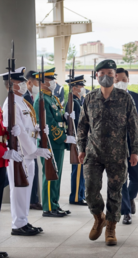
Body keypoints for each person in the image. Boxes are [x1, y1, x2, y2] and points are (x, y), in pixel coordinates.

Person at [77, 59, 138, 246]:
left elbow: (134, 127)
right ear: (96, 76)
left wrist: (135, 151)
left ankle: (111, 227)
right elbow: (82, 125)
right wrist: (81, 148)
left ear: (115, 76)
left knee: (115, 193)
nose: (106, 77)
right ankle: (99, 217)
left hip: (117, 154)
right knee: (89, 190)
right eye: (102, 73)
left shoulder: (124, 98)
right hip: (93, 154)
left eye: (110, 74)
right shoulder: (89, 98)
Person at [2, 66, 51, 235]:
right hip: (20, 152)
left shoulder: (22, 101)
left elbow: (28, 128)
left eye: (23, 82)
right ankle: (18, 225)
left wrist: (39, 132)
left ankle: (23, 221)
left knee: (26, 188)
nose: (23, 84)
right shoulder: (11, 103)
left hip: (28, 151)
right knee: (19, 189)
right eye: (19, 82)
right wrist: (34, 150)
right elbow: (18, 131)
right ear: (11, 85)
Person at [33, 68, 75, 218]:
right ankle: (48, 207)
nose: (53, 82)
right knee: (50, 175)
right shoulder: (41, 99)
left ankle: (55, 204)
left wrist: (66, 116)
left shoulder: (52, 98)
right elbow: (48, 124)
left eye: (53, 79)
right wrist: (64, 137)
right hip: (50, 143)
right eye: (50, 79)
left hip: (57, 145)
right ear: (42, 82)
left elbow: (57, 117)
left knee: (56, 175)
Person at [114, 68, 138, 225]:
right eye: (116, 80)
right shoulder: (108, 98)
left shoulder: (137, 97)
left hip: (134, 144)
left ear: (128, 80)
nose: (120, 82)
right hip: (115, 146)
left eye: (123, 80)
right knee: (121, 178)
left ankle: (129, 197)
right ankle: (126, 211)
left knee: (136, 176)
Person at [64, 75, 87, 206]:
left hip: (81, 139)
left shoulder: (78, 101)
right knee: (78, 169)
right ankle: (76, 197)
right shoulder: (72, 102)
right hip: (78, 139)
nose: (83, 88)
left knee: (81, 169)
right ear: (74, 88)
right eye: (80, 86)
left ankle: (80, 194)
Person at [24, 70, 41, 211]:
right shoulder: (25, 98)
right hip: (26, 144)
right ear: (29, 82)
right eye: (37, 82)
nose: (39, 85)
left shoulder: (31, 97)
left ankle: (33, 199)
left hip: (32, 141)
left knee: (33, 173)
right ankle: (31, 200)